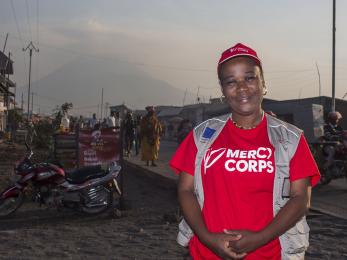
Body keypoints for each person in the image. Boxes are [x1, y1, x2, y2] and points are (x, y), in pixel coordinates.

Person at [170, 43, 320, 260]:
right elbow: (185, 190)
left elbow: (300, 199)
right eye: (231, 81)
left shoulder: (291, 138)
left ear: (263, 83)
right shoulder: (203, 135)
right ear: (223, 90)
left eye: (249, 78)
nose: (241, 87)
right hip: (207, 252)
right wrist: (207, 238)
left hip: (268, 253)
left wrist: (260, 237)